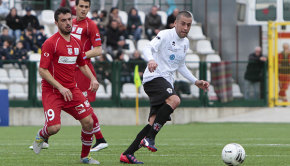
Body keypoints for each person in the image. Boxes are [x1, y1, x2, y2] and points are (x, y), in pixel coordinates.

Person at [119, 11, 209, 164]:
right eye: (183, 24)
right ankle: (150, 138)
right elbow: (147, 48)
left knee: (153, 122)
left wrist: (195, 81)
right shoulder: (165, 35)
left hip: (166, 81)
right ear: (175, 23)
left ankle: (127, 154)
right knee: (175, 100)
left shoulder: (185, 43)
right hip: (154, 77)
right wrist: (151, 60)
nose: (186, 27)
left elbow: (180, 65)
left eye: (189, 25)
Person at [31, 7, 100, 164]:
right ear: (56, 23)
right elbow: (42, 70)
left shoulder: (76, 43)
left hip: (71, 90)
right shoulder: (50, 43)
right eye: (64, 20)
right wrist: (60, 87)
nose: (68, 23)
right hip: (53, 91)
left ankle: (85, 157)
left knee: (89, 122)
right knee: (54, 128)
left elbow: (82, 64)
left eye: (70, 19)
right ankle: (42, 134)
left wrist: (92, 79)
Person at [72, 0, 108, 152]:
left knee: (84, 106)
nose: (84, 10)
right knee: (79, 105)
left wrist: (81, 55)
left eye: (87, 7)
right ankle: (99, 138)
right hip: (71, 70)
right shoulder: (70, 22)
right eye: (81, 6)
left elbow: (98, 50)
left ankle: (100, 139)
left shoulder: (91, 25)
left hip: (83, 71)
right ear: (76, 7)